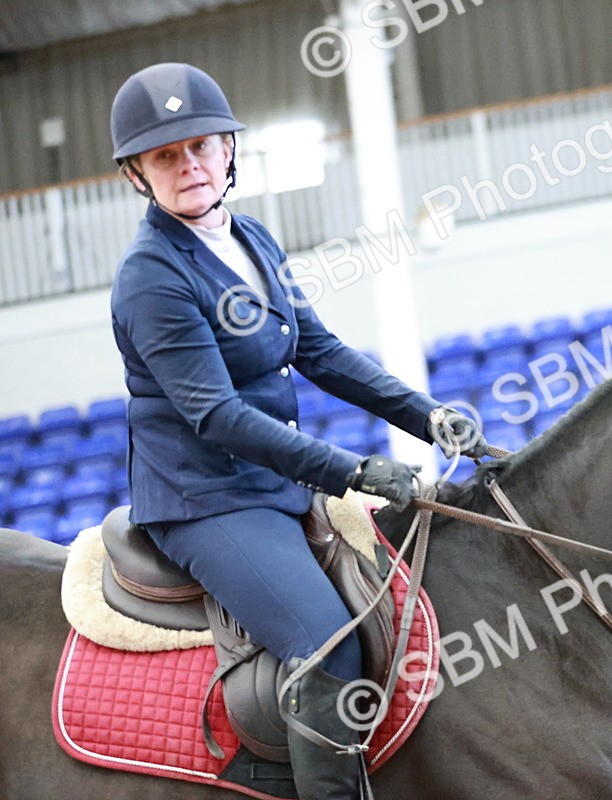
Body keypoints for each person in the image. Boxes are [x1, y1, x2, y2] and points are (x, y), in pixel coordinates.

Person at [108, 62, 485, 799]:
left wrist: (423, 414)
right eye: (165, 155)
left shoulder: (251, 239)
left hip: (271, 483)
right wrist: (351, 469)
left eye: (200, 147)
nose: (187, 165)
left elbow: (316, 350)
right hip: (207, 500)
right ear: (137, 174)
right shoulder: (152, 277)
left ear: (227, 152)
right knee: (329, 646)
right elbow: (216, 415)